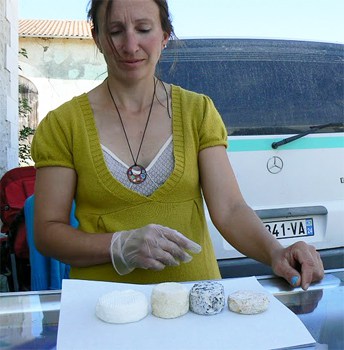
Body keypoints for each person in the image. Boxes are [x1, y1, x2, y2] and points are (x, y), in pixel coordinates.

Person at [31, 0, 323, 289]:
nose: (131, 45)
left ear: (165, 36)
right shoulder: (63, 124)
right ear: (98, 39)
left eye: (144, 29)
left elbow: (231, 210)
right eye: (116, 31)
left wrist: (276, 252)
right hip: (103, 312)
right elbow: (47, 232)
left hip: (196, 305)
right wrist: (118, 246)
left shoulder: (197, 111)